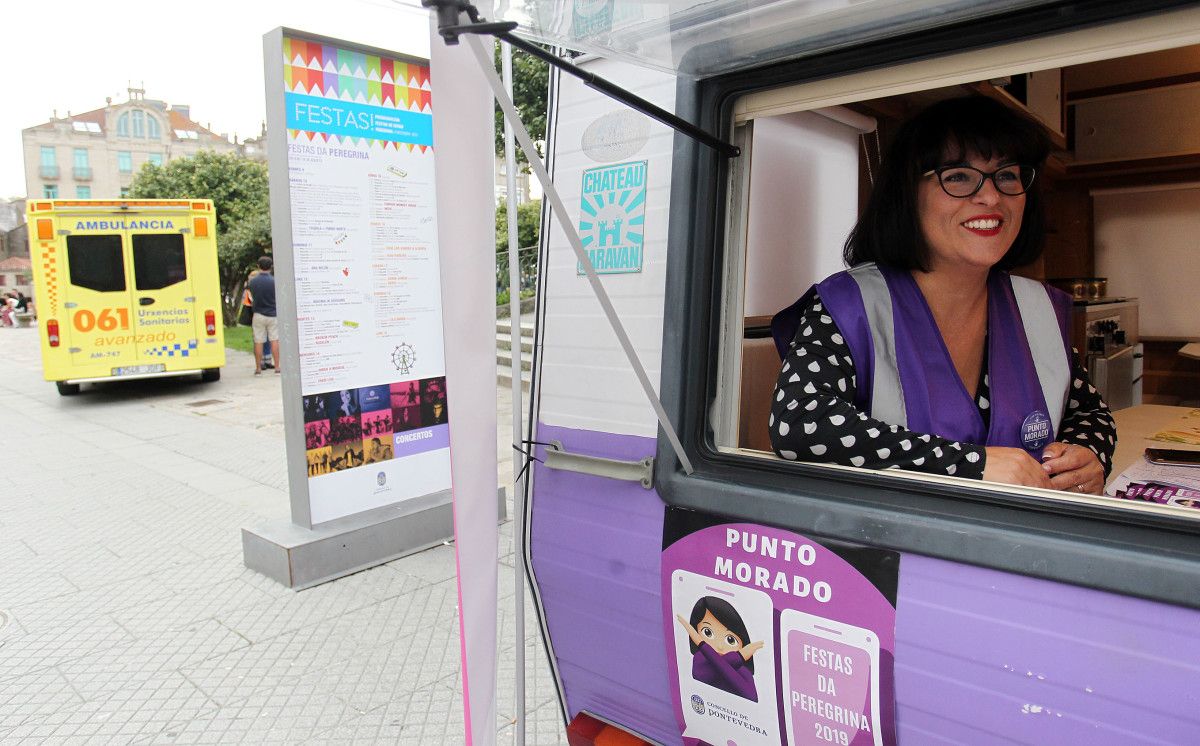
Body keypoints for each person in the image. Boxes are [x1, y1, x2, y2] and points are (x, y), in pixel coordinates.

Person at [770, 96, 1115, 494]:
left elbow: (1088, 411)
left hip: (1022, 544)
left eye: (1007, 175)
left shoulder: (1036, 307)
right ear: (908, 193)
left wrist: (1088, 457)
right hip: (889, 547)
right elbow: (798, 424)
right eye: (959, 176)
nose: (991, 197)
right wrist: (971, 466)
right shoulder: (850, 304)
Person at [675, 596, 762, 702]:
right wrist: (738, 656)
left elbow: (750, 697)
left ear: (743, 642)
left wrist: (701, 643)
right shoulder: (700, 660)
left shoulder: (743, 672)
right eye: (708, 632)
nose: (719, 646)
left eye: (730, 640)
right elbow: (703, 676)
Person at [246, 256, 279, 375]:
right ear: (271, 267)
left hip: (258, 314)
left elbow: (251, 296)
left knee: (258, 341)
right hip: (273, 314)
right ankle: (277, 367)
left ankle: (258, 368)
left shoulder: (253, 282)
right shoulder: (275, 281)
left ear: (258, 266)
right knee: (274, 339)